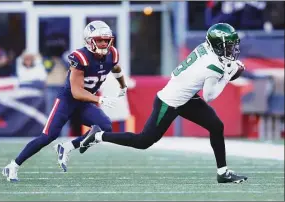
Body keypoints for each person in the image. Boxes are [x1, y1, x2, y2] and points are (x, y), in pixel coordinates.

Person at [80, 23, 248, 184]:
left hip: (185, 96)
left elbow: (212, 68)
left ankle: (223, 173)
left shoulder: (206, 47)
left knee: (216, 126)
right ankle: (97, 135)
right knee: (143, 141)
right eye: (229, 45)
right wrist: (227, 76)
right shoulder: (213, 65)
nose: (232, 49)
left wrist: (228, 68)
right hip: (169, 102)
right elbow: (210, 96)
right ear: (218, 44)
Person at [2, 20, 128, 182]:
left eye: (106, 39)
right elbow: (76, 92)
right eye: (99, 40)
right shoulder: (81, 57)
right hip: (67, 101)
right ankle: (13, 166)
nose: (104, 43)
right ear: (89, 41)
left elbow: (115, 68)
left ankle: (67, 146)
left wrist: (122, 85)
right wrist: (99, 99)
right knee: (47, 136)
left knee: (105, 126)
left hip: (84, 103)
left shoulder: (112, 54)